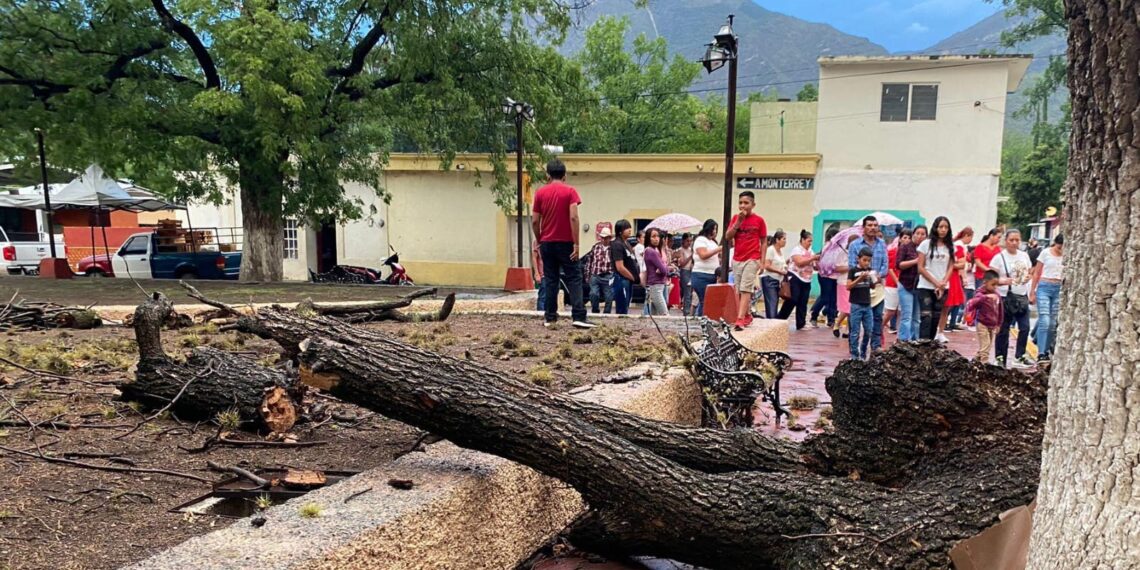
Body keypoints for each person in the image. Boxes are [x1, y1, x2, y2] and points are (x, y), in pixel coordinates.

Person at [531, 159, 594, 329]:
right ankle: (579, 316)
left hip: (547, 243)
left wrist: (539, 239)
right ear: (565, 175)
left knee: (551, 279)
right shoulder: (570, 192)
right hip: (566, 242)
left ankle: (550, 317)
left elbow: (535, 221)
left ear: (547, 175)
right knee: (574, 277)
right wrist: (576, 244)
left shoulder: (540, 193)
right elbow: (573, 217)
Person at [989, 229, 1034, 369]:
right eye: (1011, 240)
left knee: (1025, 327)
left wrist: (1028, 278)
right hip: (1005, 297)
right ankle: (1000, 356)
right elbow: (990, 279)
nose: (1014, 243)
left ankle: (1019, 355)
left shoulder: (1024, 255)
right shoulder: (999, 258)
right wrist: (1003, 281)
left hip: (1022, 295)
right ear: (1006, 241)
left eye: (1017, 240)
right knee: (1004, 328)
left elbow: (1030, 271)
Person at [725, 191, 767, 330]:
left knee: (745, 288)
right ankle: (747, 314)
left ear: (753, 205)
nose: (743, 205)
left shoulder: (759, 221)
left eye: (746, 203)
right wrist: (738, 223)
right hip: (737, 258)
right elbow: (728, 236)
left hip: (752, 257)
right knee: (738, 289)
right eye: (741, 203)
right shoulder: (736, 218)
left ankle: (740, 318)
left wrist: (762, 260)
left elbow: (764, 241)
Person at [847, 217, 887, 350]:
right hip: (860, 287)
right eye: (869, 225)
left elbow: (885, 265)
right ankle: (854, 349)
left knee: (877, 317)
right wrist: (865, 275)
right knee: (856, 321)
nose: (873, 228)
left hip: (877, 285)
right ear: (863, 227)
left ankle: (875, 346)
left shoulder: (882, 244)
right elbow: (852, 265)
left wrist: (876, 276)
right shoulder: (855, 245)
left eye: (875, 225)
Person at [916, 216, 954, 341]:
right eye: (941, 227)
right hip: (926, 286)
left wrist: (943, 283)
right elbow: (920, 268)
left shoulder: (949, 246)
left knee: (936, 317)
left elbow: (951, 266)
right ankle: (923, 345)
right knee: (926, 317)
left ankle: (931, 346)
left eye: (946, 227)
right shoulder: (925, 244)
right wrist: (936, 283)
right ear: (935, 228)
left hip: (943, 287)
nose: (943, 230)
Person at [1030, 234, 1064, 363]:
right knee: (1045, 319)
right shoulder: (1045, 253)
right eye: (1059, 246)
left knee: (1052, 322)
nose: (1061, 249)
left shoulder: (1067, 255)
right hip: (1044, 286)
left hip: (1058, 288)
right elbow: (1037, 272)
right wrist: (1032, 291)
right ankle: (1041, 352)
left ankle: (1042, 344)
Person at [776, 230, 816, 330]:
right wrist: (812, 258)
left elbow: (815, 266)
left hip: (806, 279)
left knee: (803, 301)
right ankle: (780, 319)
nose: (810, 243)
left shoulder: (811, 252)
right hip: (795, 277)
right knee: (793, 299)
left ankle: (801, 323)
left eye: (811, 241)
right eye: (808, 241)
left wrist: (817, 261)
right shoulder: (797, 250)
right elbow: (799, 262)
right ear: (802, 240)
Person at [965, 270, 1004, 363]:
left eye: (996, 285)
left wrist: (999, 324)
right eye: (993, 284)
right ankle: (984, 364)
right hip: (982, 323)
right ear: (985, 283)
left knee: (987, 346)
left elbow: (1000, 310)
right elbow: (971, 304)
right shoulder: (980, 294)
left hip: (992, 325)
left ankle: (976, 359)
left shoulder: (997, 295)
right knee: (985, 345)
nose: (995, 287)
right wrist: (986, 297)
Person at [847, 247, 876, 360]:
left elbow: (873, 286)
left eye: (868, 260)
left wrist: (874, 278)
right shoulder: (853, 271)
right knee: (855, 331)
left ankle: (863, 352)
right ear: (858, 259)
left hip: (867, 304)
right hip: (856, 304)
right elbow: (848, 286)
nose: (866, 263)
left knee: (869, 330)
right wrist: (860, 278)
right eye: (864, 260)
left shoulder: (869, 270)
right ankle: (854, 354)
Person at [943, 227, 975, 334]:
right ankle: (945, 323)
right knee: (952, 301)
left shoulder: (959, 246)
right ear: (966, 236)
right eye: (971, 237)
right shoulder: (959, 246)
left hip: (956, 275)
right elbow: (959, 264)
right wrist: (964, 277)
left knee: (956, 300)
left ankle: (950, 323)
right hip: (954, 275)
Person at [810, 226, 841, 328]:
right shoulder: (828, 246)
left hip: (835, 276)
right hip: (825, 276)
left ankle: (831, 320)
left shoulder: (839, 247)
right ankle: (814, 316)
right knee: (825, 297)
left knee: (834, 299)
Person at [690, 220, 721, 317]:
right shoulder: (700, 240)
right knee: (705, 300)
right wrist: (719, 249)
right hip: (701, 274)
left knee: (708, 301)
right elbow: (703, 255)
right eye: (714, 229)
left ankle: (704, 319)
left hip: (712, 274)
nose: (715, 231)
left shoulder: (712, 242)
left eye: (716, 229)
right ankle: (703, 321)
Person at [894, 228, 919, 341]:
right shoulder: (905, 247)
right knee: (907, 316)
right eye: (918, 233)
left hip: (920, 286)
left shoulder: (927, 249)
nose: (920, 236)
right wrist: (916, 261)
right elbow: (899, 264)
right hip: (905, 285)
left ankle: (916, 340)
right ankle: (903, 341)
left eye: (923, 234)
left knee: (917, 318)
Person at [609, 219, 639, 315]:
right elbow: (620, 267)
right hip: (621, 279)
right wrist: (632, 277)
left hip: (628, 280)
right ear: (620, 231)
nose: (630, 230)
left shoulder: (627, 244)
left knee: (626, 305)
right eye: (626, 228)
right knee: (622, 308)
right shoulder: (617, 244)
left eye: (630, 227)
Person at [833, 234, 858, 339]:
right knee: (847, 307)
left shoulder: (858, 255)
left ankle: (847, 329)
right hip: (843, 282)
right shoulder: (842, 254)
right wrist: (850, 267)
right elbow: (837, 268)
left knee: (851, 306)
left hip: (855, 282)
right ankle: (838, 323)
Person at [586, 227, 615, 314]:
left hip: (608, 275)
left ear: (609, 238)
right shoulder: (595, 247)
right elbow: (589, 261)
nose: (604, 240)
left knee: (609, 297)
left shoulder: (613, 248)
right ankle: (595, 311)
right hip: (596, 275)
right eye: (602, 237)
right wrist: (588, 275)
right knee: (593, 294)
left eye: (606, 238)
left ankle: (607, 314)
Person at [760, 230, 788, 319]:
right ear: (777, 240)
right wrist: (780, 271)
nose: (785, 241)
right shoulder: (771, 250)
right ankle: (771, 323)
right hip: (769, 279)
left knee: (775, 302)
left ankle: (773, 322)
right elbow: (767, 266)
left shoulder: (780, 252)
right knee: (772, 303)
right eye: (783, 239)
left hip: (777, 280)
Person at [643, 228, 670, 316]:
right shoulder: (651, 251)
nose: (656, 239)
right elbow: (663, 270)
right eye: (653, 236)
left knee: (654, 316)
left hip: (656, 285)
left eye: (657, 236)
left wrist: (663, 267)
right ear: (648, 238)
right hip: (655, 286)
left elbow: (662, 269)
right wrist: (665, 267)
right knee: (664, 314)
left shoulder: (653, 251)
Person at [882, 234, 900, 338]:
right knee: (890, 311)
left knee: (901, 312)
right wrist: (896, 281)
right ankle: (879, 328)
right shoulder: (892, 252)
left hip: (906, 284)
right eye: (904, 237)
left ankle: (900, 334)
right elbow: (890, 267)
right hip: (892, 284)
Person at [675, 234, 695, 315]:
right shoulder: (681, 250)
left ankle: (688, 310)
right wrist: (690, 256)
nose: (689, 243)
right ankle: (686, 312)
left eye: (690, 241)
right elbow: (682, 263)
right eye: (687, 241)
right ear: (683, 241)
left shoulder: (691, 249)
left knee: (690, 292)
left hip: (691, 271)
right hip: (684, 271)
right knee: (687, 291)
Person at [532, 240, 546, 311]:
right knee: (542, 296)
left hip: (551, 273)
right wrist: (536, 273)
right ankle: (540, 314)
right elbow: (534, 257)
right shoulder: (537, 241)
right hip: (542, 274)